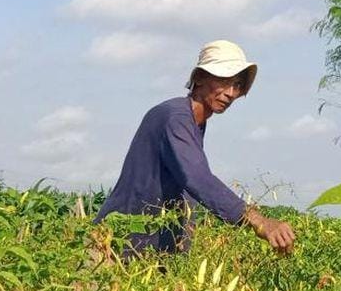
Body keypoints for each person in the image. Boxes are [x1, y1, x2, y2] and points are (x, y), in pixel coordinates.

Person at [93, 39, 296, 256]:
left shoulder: (195, 122)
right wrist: (259, 221)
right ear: (198, 78)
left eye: (237, 85)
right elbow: (198, 178)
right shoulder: (175, 117)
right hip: (114, 248)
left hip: (142, 254)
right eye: (224, 80)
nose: (230, 92)